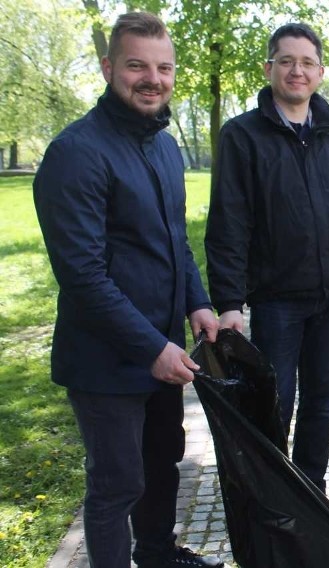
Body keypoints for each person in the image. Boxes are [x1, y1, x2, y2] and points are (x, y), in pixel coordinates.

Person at [32, 12, 223, 568]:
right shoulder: (76, 153)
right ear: (108, 67)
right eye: (137, 65)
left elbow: (175, 244)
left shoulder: (165, 149)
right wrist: (152, 349)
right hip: (105, 361)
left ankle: (158, 555)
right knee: (117, 486)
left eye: (163, 68)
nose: (152, 78)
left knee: (163, 463)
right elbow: (83, 277)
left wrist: (199, 302)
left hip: (161, 350)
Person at [205, 23, 329, 493]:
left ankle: (311, 492)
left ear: (320, 73)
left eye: (306, 63)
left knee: (322, 403)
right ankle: (275, 498)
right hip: (277, 301)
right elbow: (228, 225)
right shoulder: (243, 136)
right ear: (269, 68)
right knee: (276, 403)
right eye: (286, 61)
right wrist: (230, 302)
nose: (296, 71)